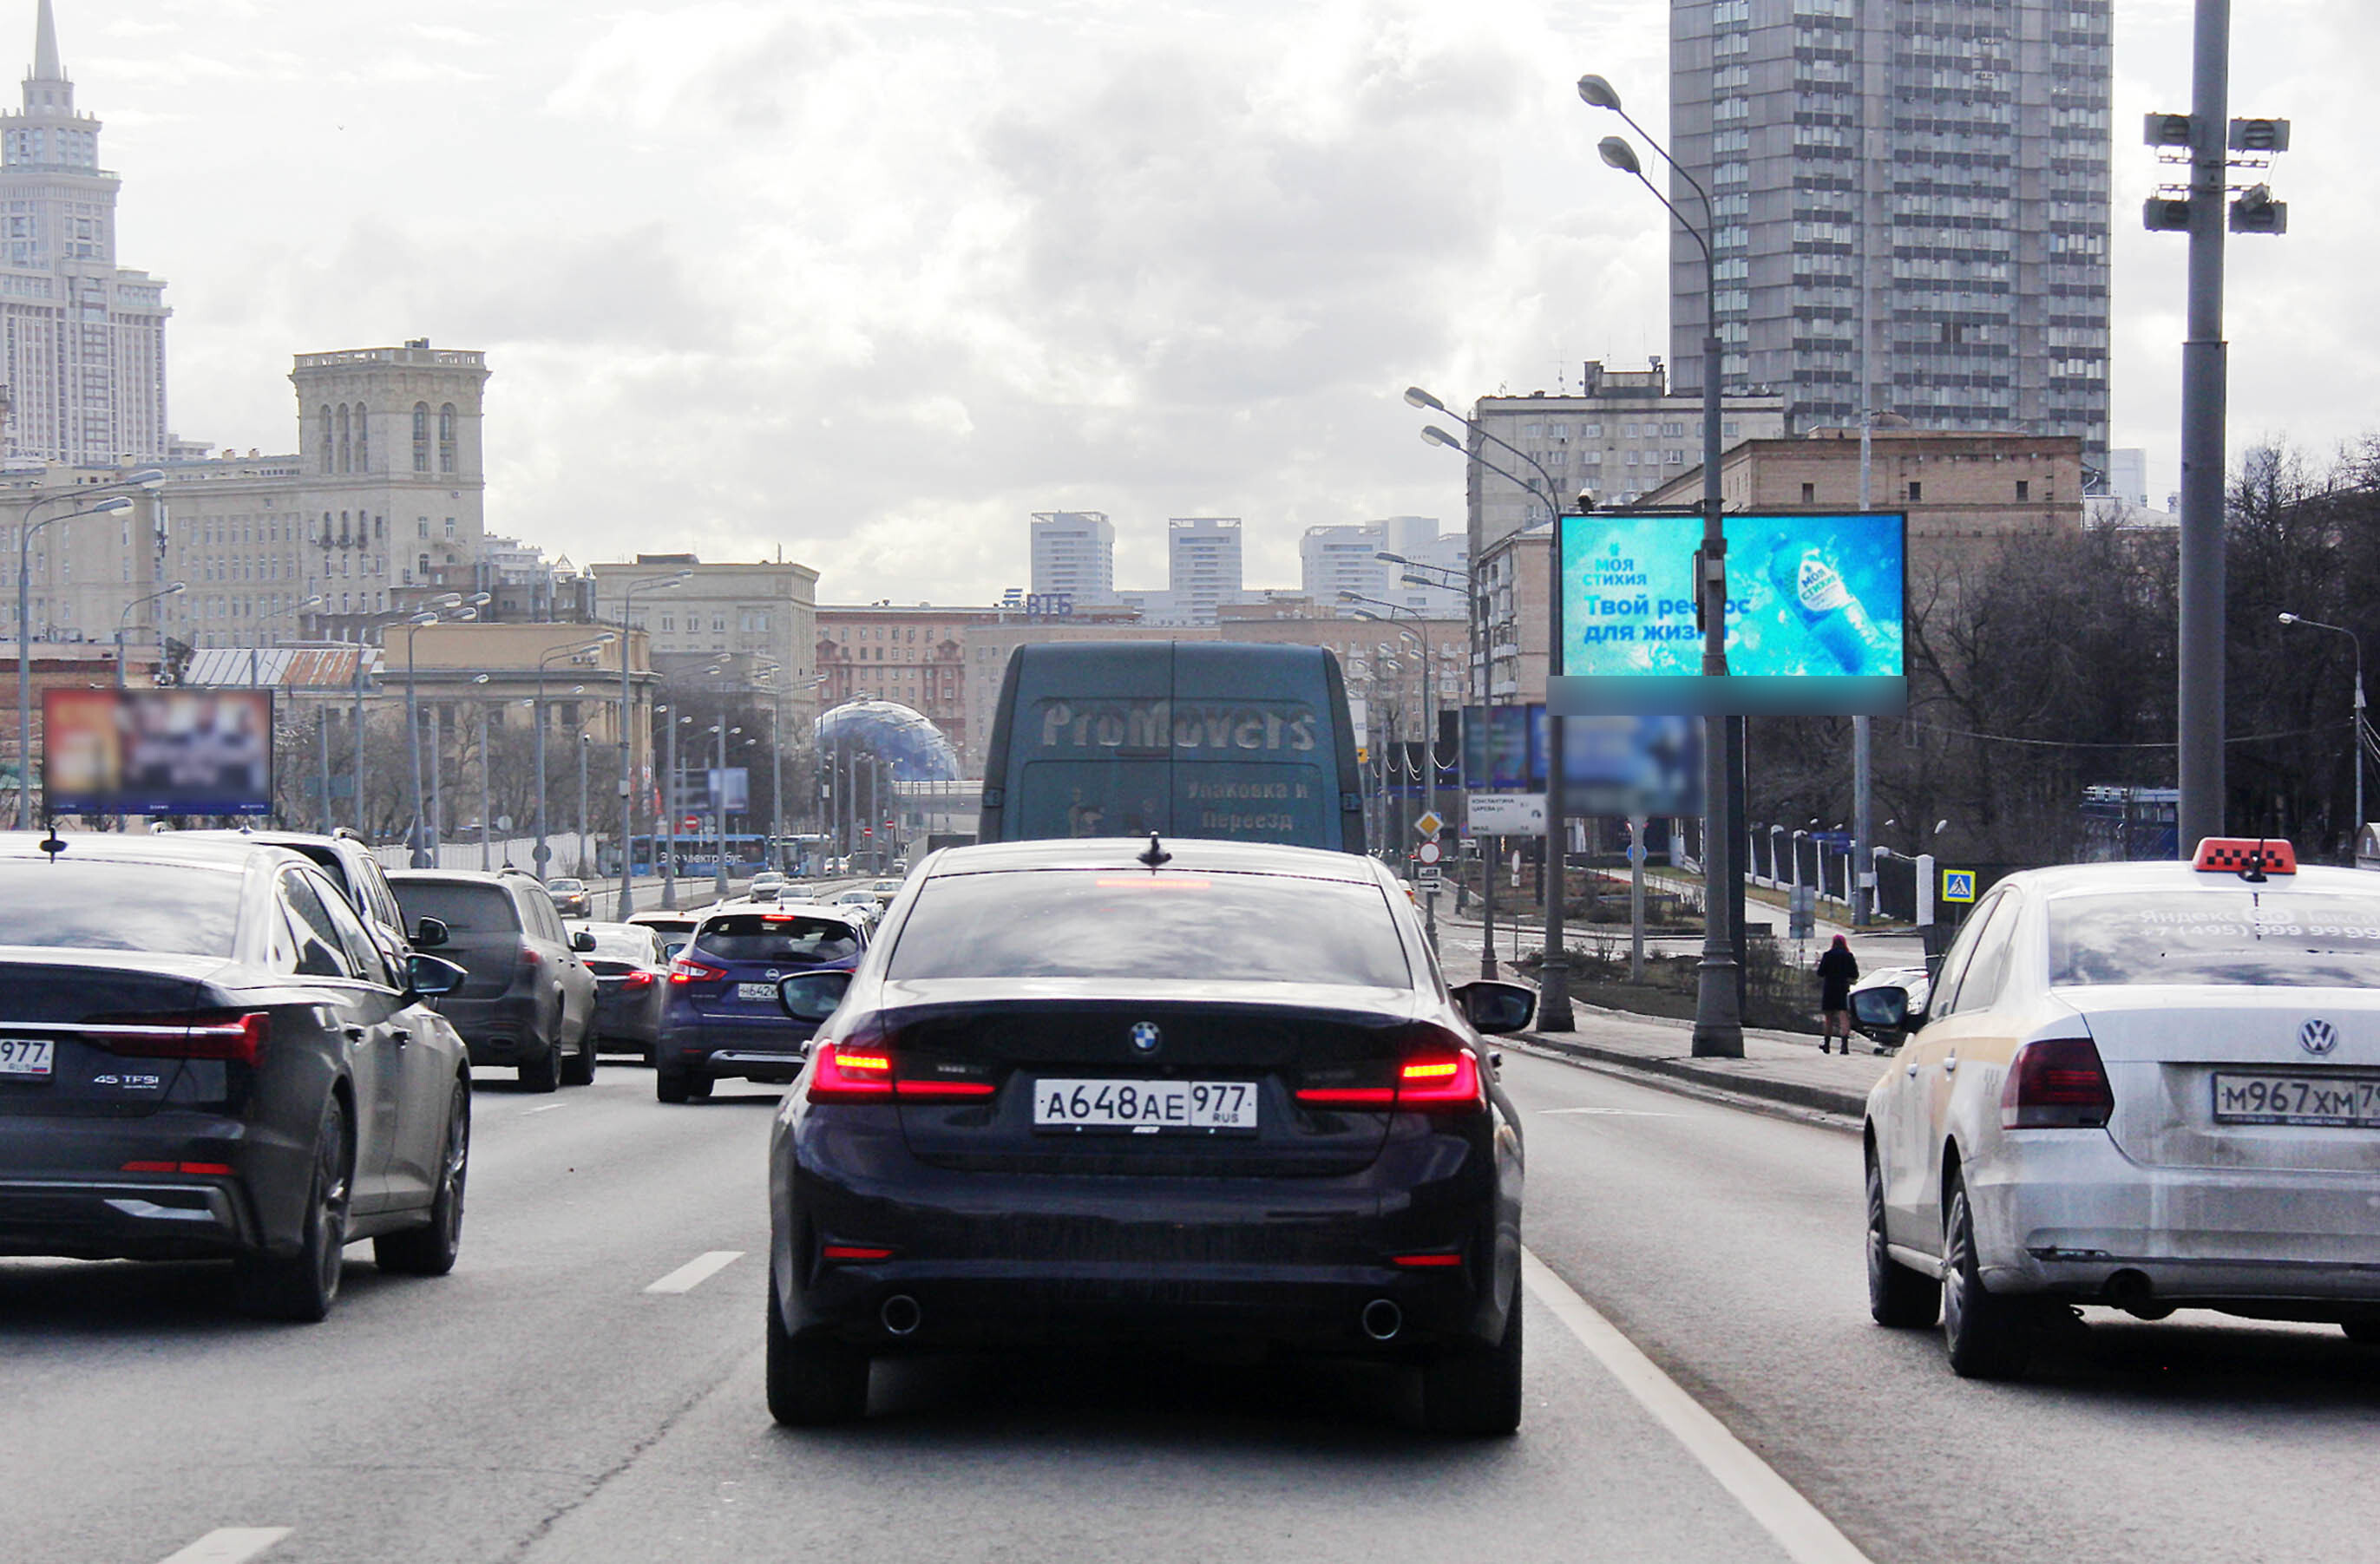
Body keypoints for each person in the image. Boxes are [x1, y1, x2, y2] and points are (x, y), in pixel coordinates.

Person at [1816, 933, 1859, 1053]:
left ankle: (1827, 1045)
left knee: (1829, 1018)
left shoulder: (1828, 955)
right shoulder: (1848, 956)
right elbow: (1855, 974)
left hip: (1829, 988)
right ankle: (1844, 1046)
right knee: (1844, 1017)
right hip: (1843, 988)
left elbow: (1820, 973)